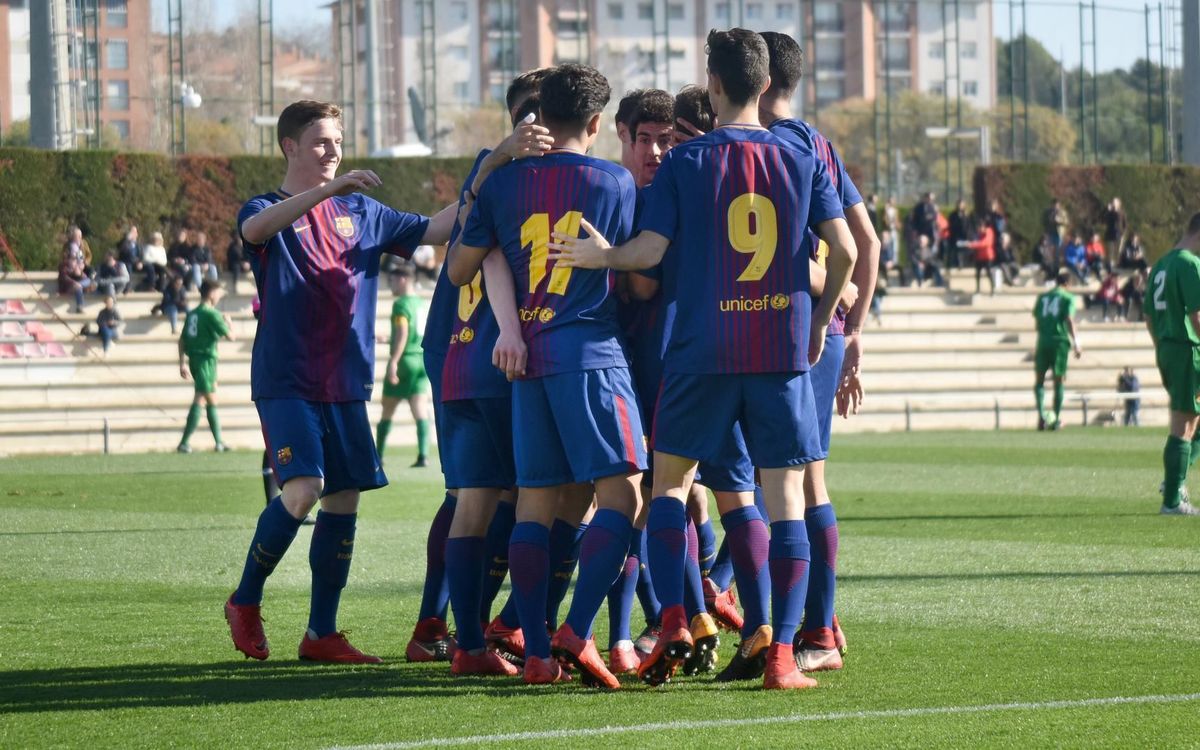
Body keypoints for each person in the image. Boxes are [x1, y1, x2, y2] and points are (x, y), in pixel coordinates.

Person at [548, 29, 856, 690]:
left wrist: (600, 255)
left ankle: (678, 621)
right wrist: (821, 321)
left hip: (700, 351)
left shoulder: (687, 162)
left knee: (668, 488)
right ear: (765, 85)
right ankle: (780, 656)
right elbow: (848, 251)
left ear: (713, 85)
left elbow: (650, 252)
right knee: (785, 502)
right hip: (778, 352)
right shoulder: (802, 156)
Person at [222, 99, 458, 665]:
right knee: (303, 489)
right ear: (290, 147)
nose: (333, 151)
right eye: (322, 142)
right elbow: (254, 229)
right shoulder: (266, 207)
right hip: (287, 378)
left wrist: (494, 175)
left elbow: (437, 227)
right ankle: (245, 600)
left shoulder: (365, 211)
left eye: (338, 141)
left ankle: (320, 634)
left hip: (347, 381)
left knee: (344, 499)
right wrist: (327, 193)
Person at [449, 63, 648, 688]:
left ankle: (535, 652)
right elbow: (639, 279)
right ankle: (579, 629)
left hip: (526, 362)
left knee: (534, 502)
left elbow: (466, 267)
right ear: (595, 122)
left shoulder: (504, 184)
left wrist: (510, 326)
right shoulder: (614, 181)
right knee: (625, 497)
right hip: (590, 356)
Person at [759, 29, 880, 674]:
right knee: (802, 480)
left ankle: (809, 629)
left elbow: (845, 252)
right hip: (826, 329)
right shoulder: (818, 143)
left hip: (786, 327)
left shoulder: (767, 146)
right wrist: (852, 330)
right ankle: (820, 622)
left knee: (781, 481)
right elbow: (869, 244)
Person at [1143, 211, 1200, 515]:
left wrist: (1162, 347)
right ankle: (1172, 500)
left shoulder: (1161, 264)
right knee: (1184, 422)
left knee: (1192, 418)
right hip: (1187, 348)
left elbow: (1148, 317)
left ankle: (1173, 479)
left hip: (1168, 347)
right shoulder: (1190, 264)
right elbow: (1198, 317)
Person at [377, 263, 431, 467]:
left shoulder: (400, 305)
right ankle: (423, 455)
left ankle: (378, 456)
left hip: (405, 361)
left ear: (403, 279)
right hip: (419, 360)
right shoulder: (419, 303)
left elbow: (403, 333)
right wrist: (389, 339)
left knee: (387, 410)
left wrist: (393, 360)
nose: (391, 285)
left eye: (392, 280)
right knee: (420, 410)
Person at [177, 280, 234, 453]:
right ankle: (185, 443)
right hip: (205, 361)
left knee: (209, 398)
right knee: (202, 397)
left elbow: (181, 339)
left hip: (196, 360)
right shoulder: (211, 314)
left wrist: (182, 363)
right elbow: (231, 337)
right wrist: (229, 322)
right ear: (210, 293)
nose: (219, 296)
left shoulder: (193, 313)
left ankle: (218, 442)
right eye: (218, 292)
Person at [1033, 270, 1082, 431]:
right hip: (1059, 342)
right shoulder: (1068, 297)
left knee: (1039, 380)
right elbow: (1069, 319)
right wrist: (1077, 342)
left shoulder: (1043, 297)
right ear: (1067, 284)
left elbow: (1038, 321)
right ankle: (1055, 419)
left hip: (1043, 341)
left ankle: (1041, 416)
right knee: (1058, 380)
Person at [962, 220, 997, 295]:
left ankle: (993, 289)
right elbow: (976, 241)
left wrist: (973, 244)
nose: (979, 229)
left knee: (989, 273)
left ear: (984, 227)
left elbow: (986, 243)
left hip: (988, 257)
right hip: (979, 257)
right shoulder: (979, 233)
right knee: (977, 273)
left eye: (981, 227)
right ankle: (978, 289)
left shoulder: (989, 232)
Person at [57, 247, 91, 313]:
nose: (75, 261)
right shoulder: (64, 267)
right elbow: (65, 278)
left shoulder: (76, 267)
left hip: (77, 286)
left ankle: (80, 306)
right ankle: (80, 306)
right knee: (78, 287)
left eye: (75, 260)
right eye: (73, 259)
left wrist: (80, 273)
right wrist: (75, 283)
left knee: (88, 281)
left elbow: (85, 277)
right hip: (67, 288)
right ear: (68, 260)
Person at [117, 226, 146, 292]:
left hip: (137, 263)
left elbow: (141, 255)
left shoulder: (139, 244)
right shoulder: (123, 243)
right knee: (128, 266)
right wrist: (127, 240)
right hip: (126, 262)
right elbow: (121, 250)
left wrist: (140, 262)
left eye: (135, 232)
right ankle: (127, 288)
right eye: (132, 232)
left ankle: (150, 286)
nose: (133, 234)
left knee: (150, 267)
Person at [226, 228, 252, 293]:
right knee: (236, 267)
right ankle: (235, 284)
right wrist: (242, 264)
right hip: (235, 265)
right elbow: (233, 259)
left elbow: (249, 256)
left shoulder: (245, 245)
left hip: (245, 265)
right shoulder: (232, 247)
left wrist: (248, 263)